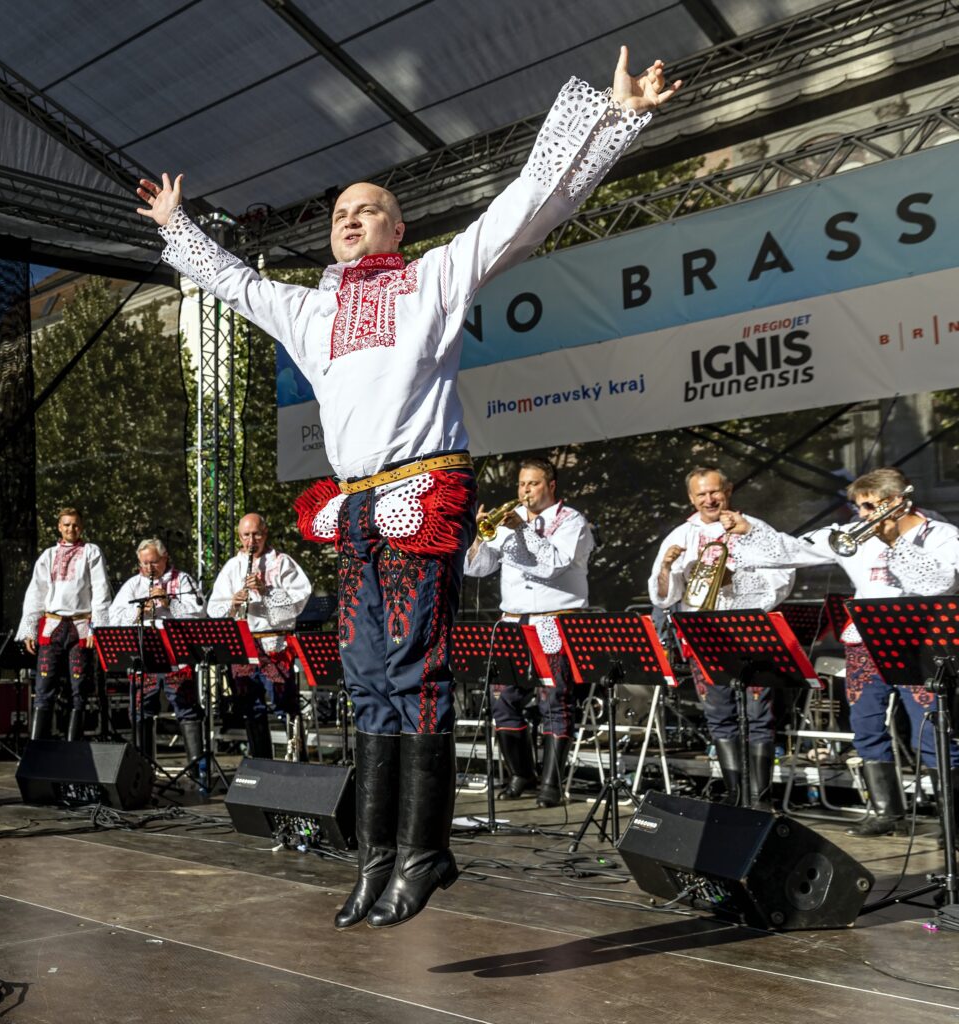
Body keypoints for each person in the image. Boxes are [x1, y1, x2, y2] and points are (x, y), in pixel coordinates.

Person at [136, 48, 679, 930]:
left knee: (415, 669)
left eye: (369, 211)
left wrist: (614, 120)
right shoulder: (311, 311)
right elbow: (233, 284)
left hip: (421, 493)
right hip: (359, 506)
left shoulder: (431, 280)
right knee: (365, 676)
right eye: (342, 213)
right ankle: (376, 853)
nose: (351, 220)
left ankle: (424, 849)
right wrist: (176, 225)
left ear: (398, 228)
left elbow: (523, 212)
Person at [725, 467, 959, 835]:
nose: (862, 516)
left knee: (930, 731)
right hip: (865, 641)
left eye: (868, 507)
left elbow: (940, 582)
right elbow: (795, 549)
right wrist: (750, 532)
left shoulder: (942, 535)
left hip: (920, 640)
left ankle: (952, 821)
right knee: (865, 726)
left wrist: (895, 543)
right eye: (860, 507)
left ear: (896, 501)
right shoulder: (851, 534)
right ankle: (886, 812)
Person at [649, 466, 793, 809]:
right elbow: (664, 597)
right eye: (701, 494)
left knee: (759, 712)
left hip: (748, 628)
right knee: (719, 710)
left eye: (715, 492)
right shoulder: (680, 535)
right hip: (704, 631)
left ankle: (760, 798)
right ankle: (735, 794)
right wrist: (668, 568)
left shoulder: (753, 527)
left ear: (727, 491)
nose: (709, 499)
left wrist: (736, 584)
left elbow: (784, 577)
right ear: (691, 498)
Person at [464, 457, 593, 808]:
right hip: (513, 622)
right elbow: (477, 568)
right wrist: (479, 535)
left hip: (554, 619)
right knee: (502, 701)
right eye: (521, 484)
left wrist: (522, 529)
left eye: (533, 484)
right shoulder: (508, 523)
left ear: (551, 485)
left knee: (555, 700)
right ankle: (522, 773)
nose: (525, 491)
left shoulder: (571, 521)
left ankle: (551, 783)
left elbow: (552, 565)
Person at [207, 513, 312, 760]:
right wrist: (233, 603)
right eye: (246, 535)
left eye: (256, 534)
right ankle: (261, 763)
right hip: (243, 646)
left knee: (285, 704)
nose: (251, 540)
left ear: (265, 534)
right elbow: (213, 608)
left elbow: (299, 601)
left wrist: (266, 591)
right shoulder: (233, 566)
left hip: (273, 642)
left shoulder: (282, 562)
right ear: (240, 537)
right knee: (250, 707)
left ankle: (299, 761)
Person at [109, 539, 206, 776]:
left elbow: (200, 612)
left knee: (186, 708)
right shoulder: (133, 584)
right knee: (141, 709)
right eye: (144, 563)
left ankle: (197, 770)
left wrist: (169, 602)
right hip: (145, 655)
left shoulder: (182, 580)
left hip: (177, 655)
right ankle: (144, 769)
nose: (149, 568)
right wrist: (141, 610)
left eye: (153, 562)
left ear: (165, 558)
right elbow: (114, 616)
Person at [19, 508, 112, 741]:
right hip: (53, 624)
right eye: (67, 524)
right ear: (59, 527)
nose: (71, 529)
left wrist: (97, 628)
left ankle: (72, 749)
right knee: (43, 687)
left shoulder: (91, 552)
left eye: (76, 525)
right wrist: (30, 629)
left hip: (80, 625)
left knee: (79, 689)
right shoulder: (48, 555)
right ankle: (37, 749)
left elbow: (101, 590)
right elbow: (35, 593)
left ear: (82, 527)